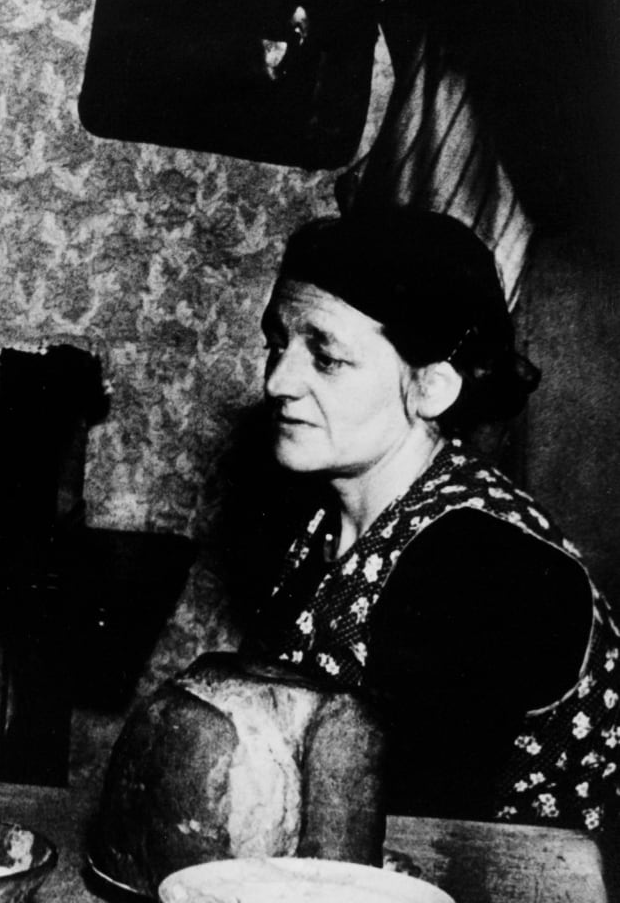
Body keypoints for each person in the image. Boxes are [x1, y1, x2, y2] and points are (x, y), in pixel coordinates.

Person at [242, 207, 620, 829]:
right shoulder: (328, 518)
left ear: (431, 388)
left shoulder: (481, 564)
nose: (278, 381)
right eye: (278, 344)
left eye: (326, 357)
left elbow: (413, 829)